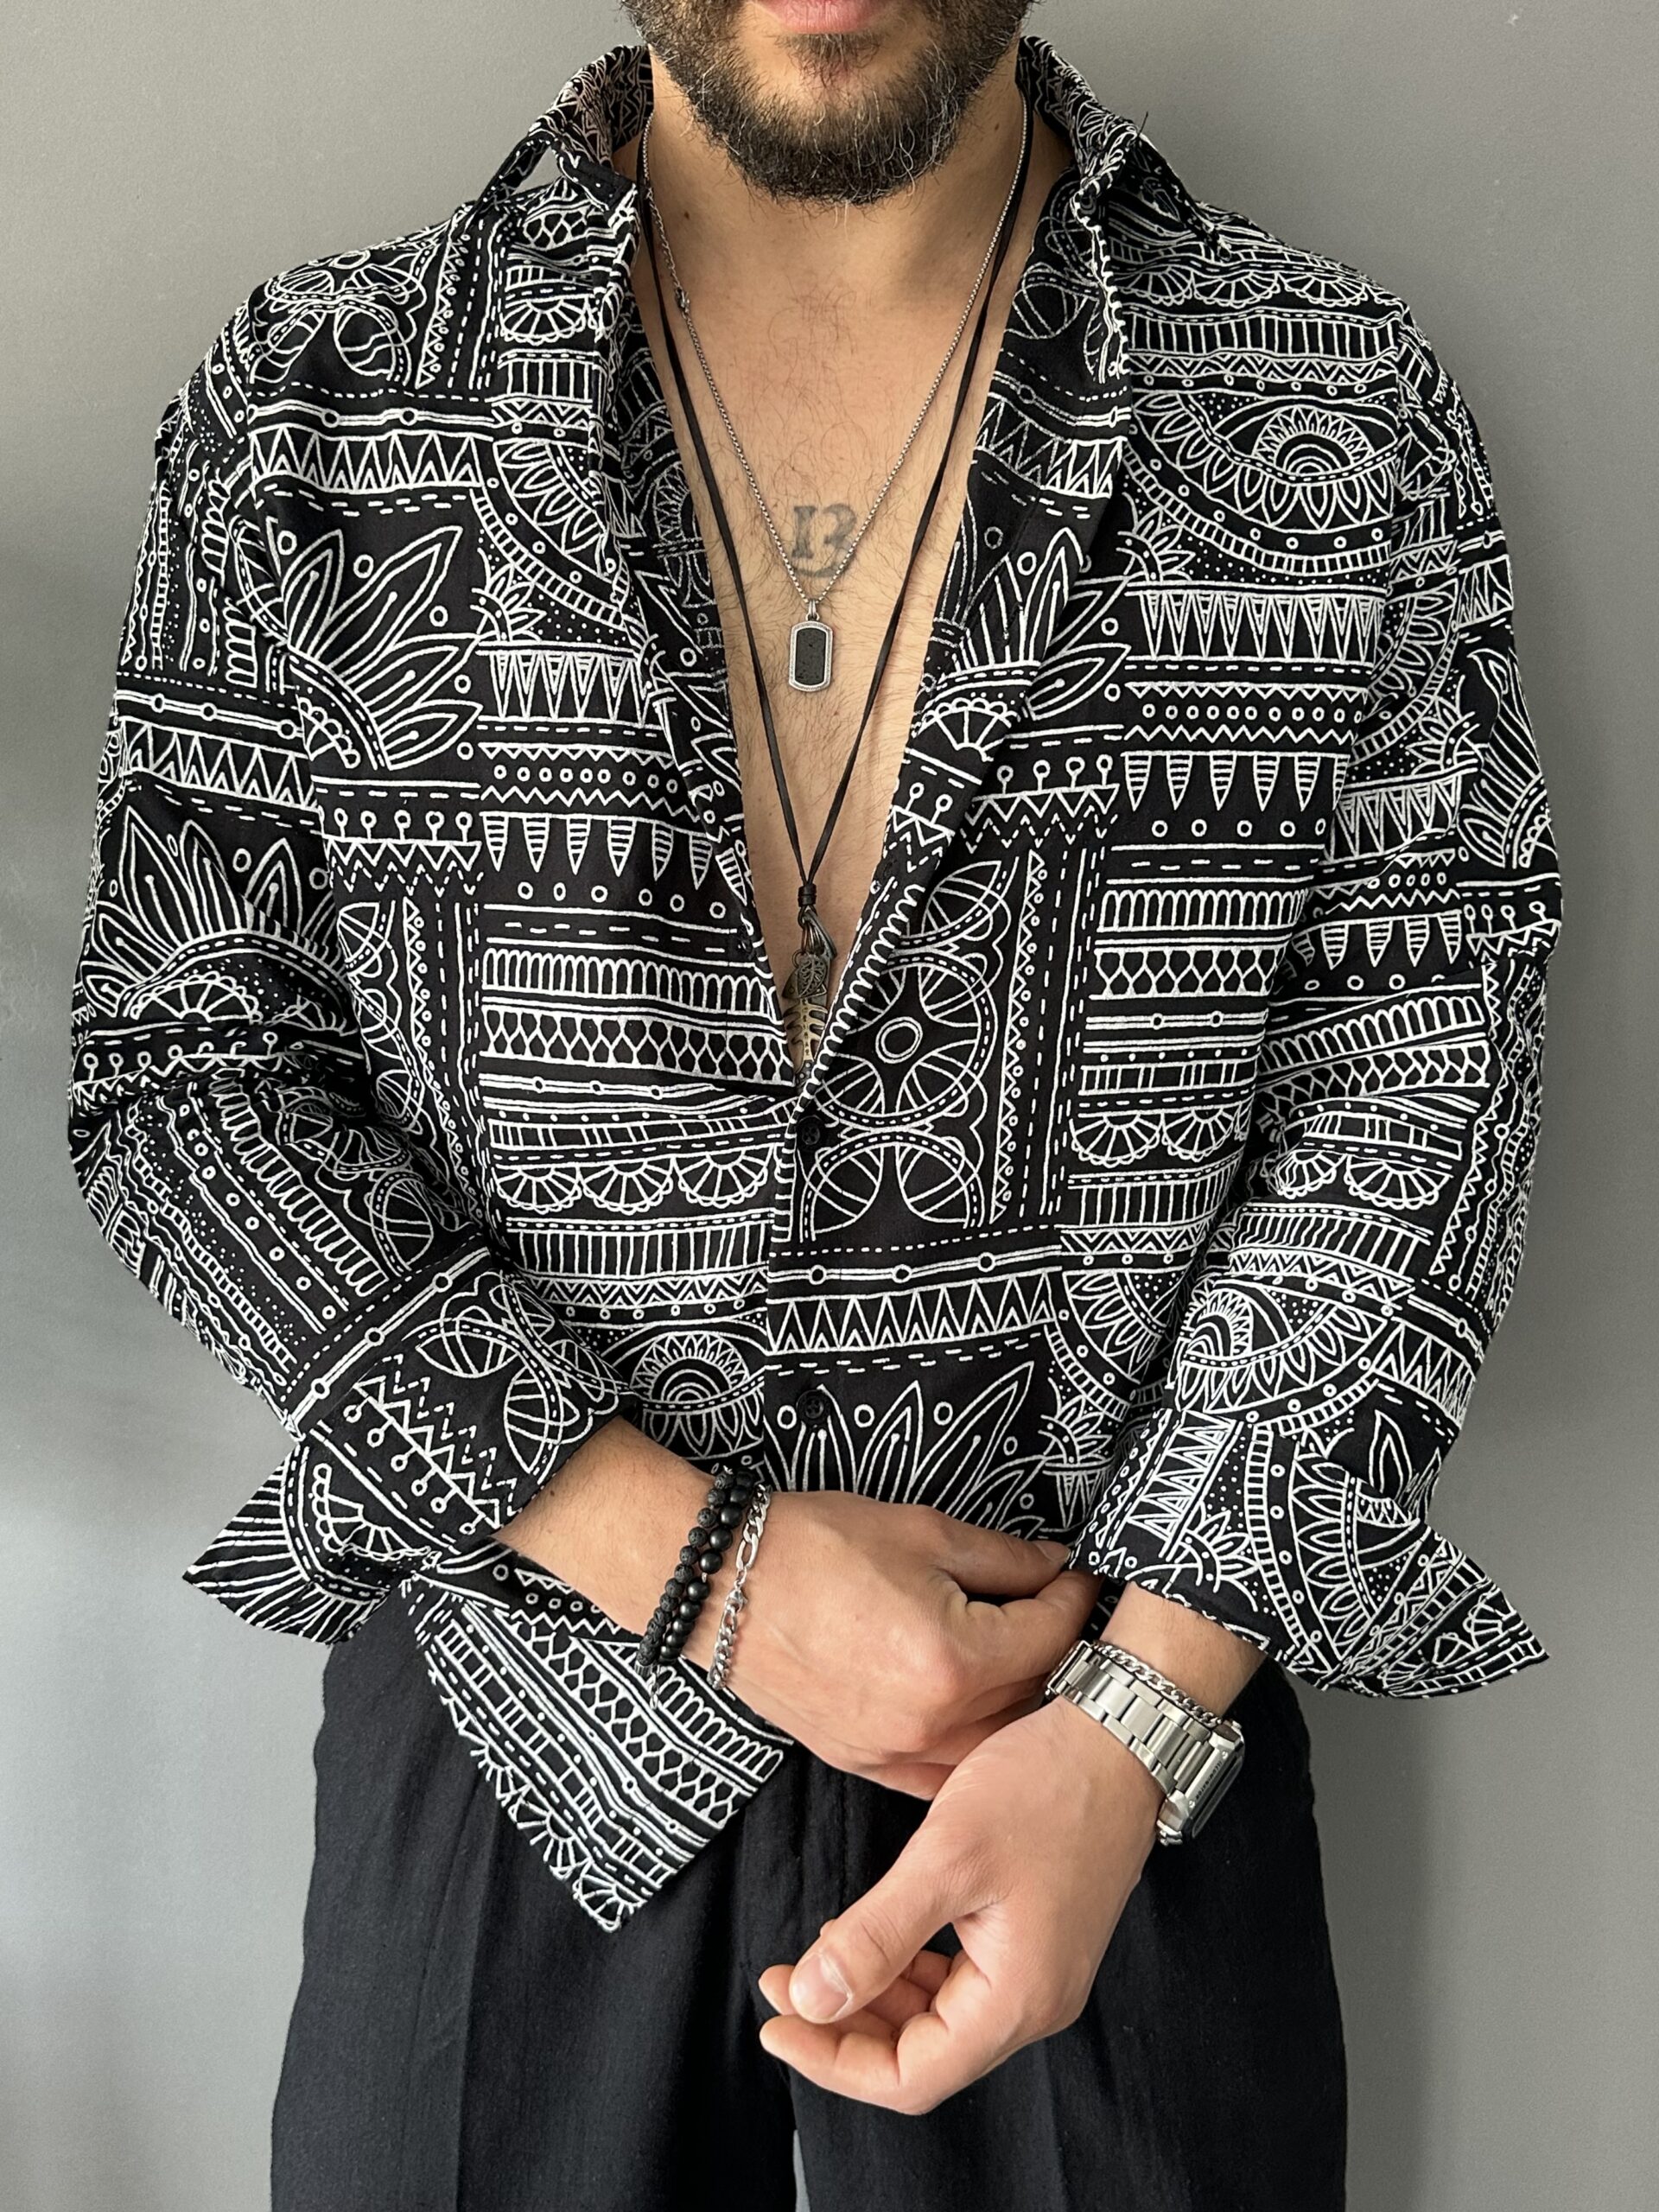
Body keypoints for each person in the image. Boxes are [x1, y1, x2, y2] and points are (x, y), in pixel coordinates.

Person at [67, 3, 1562, 2206]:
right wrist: (702, 1569)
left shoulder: (1334, 405)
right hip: (517, 1700)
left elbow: (1421, 1069)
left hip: (1109, 1723)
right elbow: (190, 1067)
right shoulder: (321, 413)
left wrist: (1137, 1722)